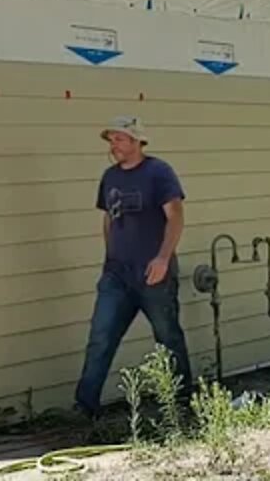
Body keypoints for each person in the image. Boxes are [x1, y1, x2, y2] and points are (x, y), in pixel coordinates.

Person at [74, 115, 193, 418]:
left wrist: (163, 258)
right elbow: (108, 218)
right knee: (101, 336)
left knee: (167, 337)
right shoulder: (110, 176)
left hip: (154, 272)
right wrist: (109, 257)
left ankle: (180, 403)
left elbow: (176, 217)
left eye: (121, 139)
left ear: (138, 141)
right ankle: (85, 406)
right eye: (111, 140)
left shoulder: (158, 172)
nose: (115, 146)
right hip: (117, 274)